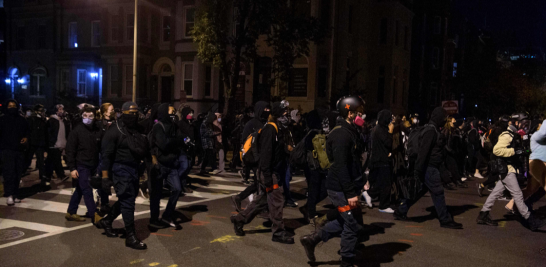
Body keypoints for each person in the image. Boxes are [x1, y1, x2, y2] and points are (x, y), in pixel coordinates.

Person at [300, 96, 367, 267]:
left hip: (347, 186)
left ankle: (312, 240)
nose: (363, 116)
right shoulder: (341, 134)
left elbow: (354, 162)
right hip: (340, 189)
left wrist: (362, 181)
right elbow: (341, 167)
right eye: (359, 113)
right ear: (350, 113)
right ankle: (347, 261)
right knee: (351, 225)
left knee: (353, 223)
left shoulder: (350, 131)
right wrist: (351, 193)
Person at [230, 102, 294, 244]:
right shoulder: (270, 130)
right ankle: (278, 232)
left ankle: (239, 219)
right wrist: (267, 176)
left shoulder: (278, 129)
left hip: (272, 172)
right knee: (277, 201)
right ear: (277, 114)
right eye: (284, 113)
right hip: (270, 173)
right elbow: (266, 155)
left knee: (262, 201)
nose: (287, 116)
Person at [394, 107, 463, 229]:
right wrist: (418, 170)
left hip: (428, 167)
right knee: (438, 192)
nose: (445, 120)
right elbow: (423, 152)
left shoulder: (432, 129)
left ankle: (401, 210)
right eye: (444, 117)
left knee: (419, 191)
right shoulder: (431, 131)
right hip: (429, 167)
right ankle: (445, 219)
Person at [476, 116, 546, 231]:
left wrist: (524, 150)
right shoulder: (507, 135)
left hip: (509, 168)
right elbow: (496, 150)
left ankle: (483, 215)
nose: (524, 126)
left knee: (495, 193)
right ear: (515, 123)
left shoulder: (514, 135)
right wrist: (514, 151)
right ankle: (530, 220)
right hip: (507, 169)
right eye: (522, 123)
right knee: (518, 195)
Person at [98, 102, 147, 250]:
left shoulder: (137, 130)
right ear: (123, 113)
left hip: (134, 168)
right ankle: (131, 236)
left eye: (135, 113)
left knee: (127, 199)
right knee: (128, 202)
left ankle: (107, 221)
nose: (133, 116)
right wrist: (105, 177)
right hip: (120, 168)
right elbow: (106, 155)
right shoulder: (115, 130)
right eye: (130, 114)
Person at [148, 103, 189, 230]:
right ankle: (153, 219)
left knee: (177, 189)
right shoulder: (158, 127)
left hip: (172, 165)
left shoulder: (174, 126)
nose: (174, 114)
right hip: (159, 165)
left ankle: (167, 215)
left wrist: (177, 141)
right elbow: (164, 144)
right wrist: (177, 141)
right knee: (156, 194)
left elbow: (183, 139)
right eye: (171, 111)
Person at [231, 101, 271, 210]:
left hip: (260, 157)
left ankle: (240, 198)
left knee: (259, 182)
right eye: (265, 109)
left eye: (268, 109)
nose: (267, 111)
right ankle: (257, 207)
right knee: (261, 182)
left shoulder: (264, 123)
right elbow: (246, 142)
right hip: (254, 158)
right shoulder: (252, 124)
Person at [65, 107, 102, 223]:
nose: (87, 118)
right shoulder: (76, 131)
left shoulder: (96, 130)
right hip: (81, 165)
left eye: (90, 116)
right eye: (85, 115)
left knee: (80, 189)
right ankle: (94, 214)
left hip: (92, 165)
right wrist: (72, 168)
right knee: (86, 189)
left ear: (95, 117)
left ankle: (71, 212)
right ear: (81, 116)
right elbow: (70, 150)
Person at [0, 99, 29, 206]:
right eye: (10, 106)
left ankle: (15, 193)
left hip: (19, 150)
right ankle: (9, 194)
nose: (12, 108)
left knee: (17, 173)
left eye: (14, 106)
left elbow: (27, 132)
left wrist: (26, 138)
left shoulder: (21, 120)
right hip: (6, 150)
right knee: (9, 173)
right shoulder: (2, 120)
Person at [364, 109, 394, 213]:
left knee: (381, 183)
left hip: (378, 160)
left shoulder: (378, 129)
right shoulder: (381, 130)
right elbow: (388, 143)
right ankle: (383, 205)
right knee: (386, 184)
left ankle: (370, 194)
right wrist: (390, 131)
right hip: (381, 160)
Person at [45, 104, 69, 182]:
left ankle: (47, 175)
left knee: (50, 161)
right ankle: (61, 175)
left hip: (60, 144)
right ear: (56, 111)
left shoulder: (63, 121)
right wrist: (50, 143)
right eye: (60, 109)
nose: (62, 111)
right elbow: (48, 133)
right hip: (54, 144)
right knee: (57, 160)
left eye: (62, 109)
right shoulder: (52, 120)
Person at [26, 104, 48, 184]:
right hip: (33, 143)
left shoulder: (43, 120)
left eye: (42, 111)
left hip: (40, 143)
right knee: (28, 159)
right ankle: (22, 171)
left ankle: (42, 175)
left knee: (41, 160)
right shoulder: (32, 119)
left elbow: (44, 132)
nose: (42, 112)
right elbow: (29, 130)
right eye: (40, 111)